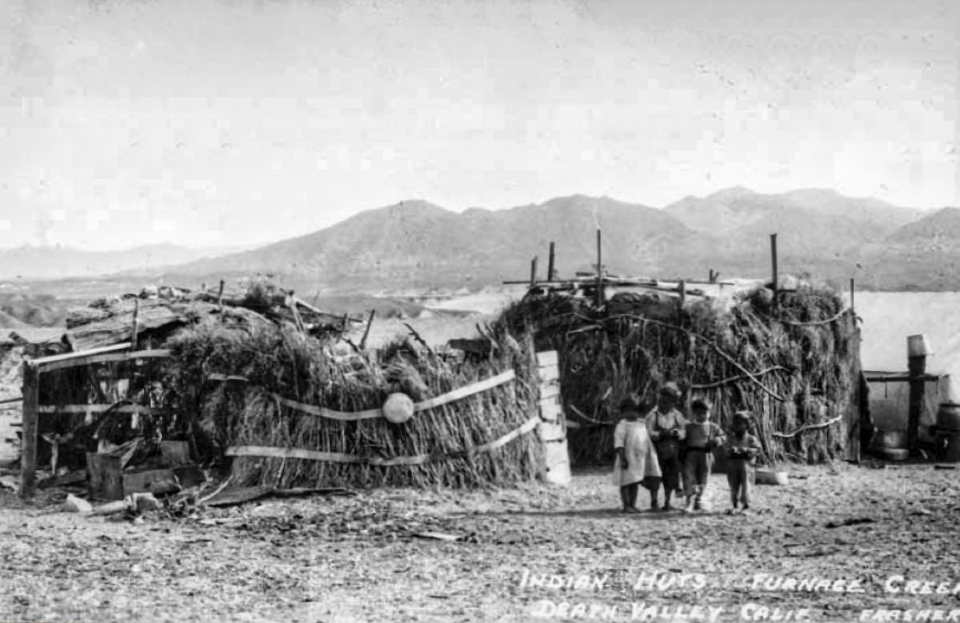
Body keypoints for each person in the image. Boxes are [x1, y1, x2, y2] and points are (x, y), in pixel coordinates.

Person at [612, 396, 662, 513]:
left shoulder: (640, 424)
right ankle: (626, 505)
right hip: (627, 458)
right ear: (623, 412)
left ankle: (632, 505)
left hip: (639, 460)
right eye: (629, 411)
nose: (632, 413)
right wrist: (622, 457)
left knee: (634, 482)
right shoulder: (622, 425)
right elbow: (619, 442)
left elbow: (645, 441)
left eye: (635, 410)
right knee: (625, 482)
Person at [645, 382, 687, 511]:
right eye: (662, 401)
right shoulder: (653, 415)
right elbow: (648, 432)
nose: (664, 404)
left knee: (670, 476)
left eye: (668, 402)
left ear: (673, 402)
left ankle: (668, 502)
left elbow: (683, 431)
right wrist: (662, 434)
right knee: (655, 477)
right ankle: (654, 502)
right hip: (656, 452)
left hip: (672, 452)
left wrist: (678, 434)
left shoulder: (677, 415)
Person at [681, 399, 726, 512]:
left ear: (710, 413)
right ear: (693, 413)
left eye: (704, 413)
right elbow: (682, 437)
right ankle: (689, 501)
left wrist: (716, 440)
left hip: (706, 455)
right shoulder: (689, 426)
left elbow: (723, 437)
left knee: (704, 478)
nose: (701, 416)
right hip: (691, 455)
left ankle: (699, 500)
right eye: (698, 413)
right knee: (689, 477)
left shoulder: (713, 427)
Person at [724, 410, 762, 515]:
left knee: (746, 485)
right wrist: (731, 450)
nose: (736, 426)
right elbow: (726, 449)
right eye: (735, 424)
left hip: (746, 466)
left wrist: (745, 450)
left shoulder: (751, 439)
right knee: (733, 486)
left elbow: (757, 450)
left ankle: (746, 506)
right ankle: (734, 505)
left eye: (739, 424)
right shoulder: (730, 439)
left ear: (747, 425)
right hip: (733, 466)